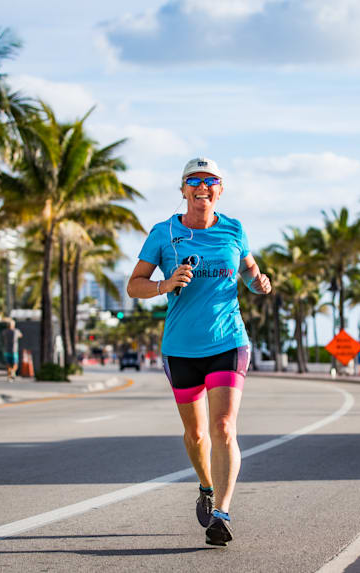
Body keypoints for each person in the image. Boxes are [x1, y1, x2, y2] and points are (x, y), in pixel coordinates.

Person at [127, 157, 271, 546]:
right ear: (183, 190)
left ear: (220, 190)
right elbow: (134, 285)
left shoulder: (234, 229)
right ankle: (206, 486)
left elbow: (251, 274)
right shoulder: (164, 233)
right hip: (181, 347)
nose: (202, 186)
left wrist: (260, 283)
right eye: (195, 180)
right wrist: (165, 284)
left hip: (228, 340)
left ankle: (222, 513)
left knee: (223, 427)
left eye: (211, 180)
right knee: (195, 433)